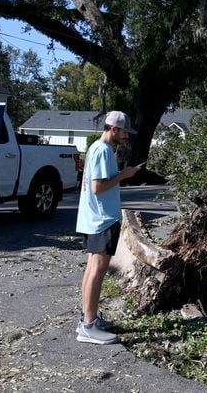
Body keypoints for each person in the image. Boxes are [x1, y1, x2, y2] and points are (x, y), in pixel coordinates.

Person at [75, 110, 140, 344]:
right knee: (97, 270)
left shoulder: (95, 147)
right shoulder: (103, 150)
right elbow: (98, 188)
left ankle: (88, 318)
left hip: (94, 218)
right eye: (124, 132)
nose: (126, 136)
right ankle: (88, 327)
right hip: (102, 219)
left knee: (92, 268)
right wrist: (125, 175)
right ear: (114, 129)